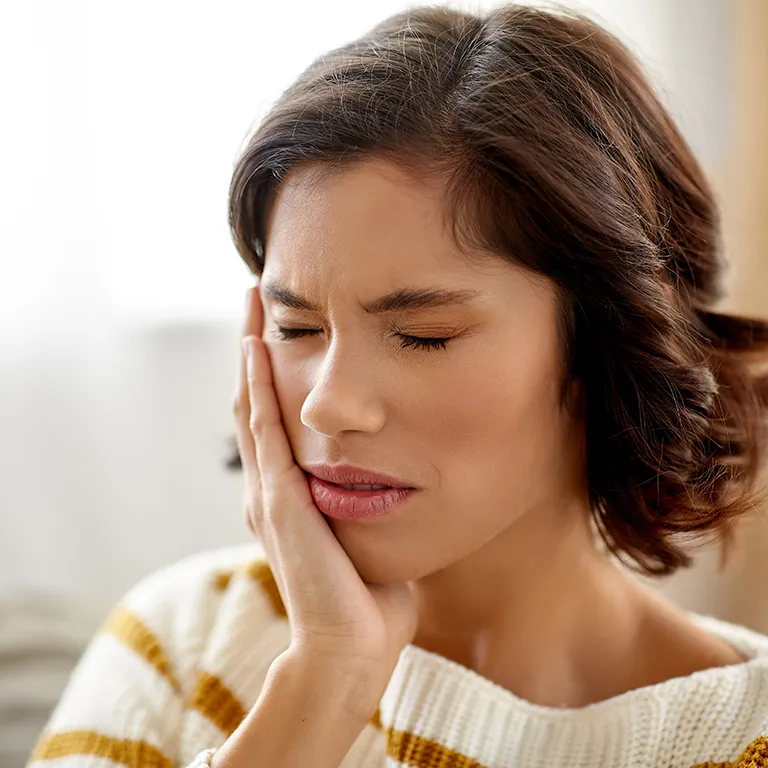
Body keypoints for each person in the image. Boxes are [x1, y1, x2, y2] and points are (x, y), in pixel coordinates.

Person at [27, 4, 768, 767]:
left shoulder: (744, 738)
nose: (326, 403)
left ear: (609, 342)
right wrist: (324, 686)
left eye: (424, 335)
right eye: (296, 328)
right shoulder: (182, 644)